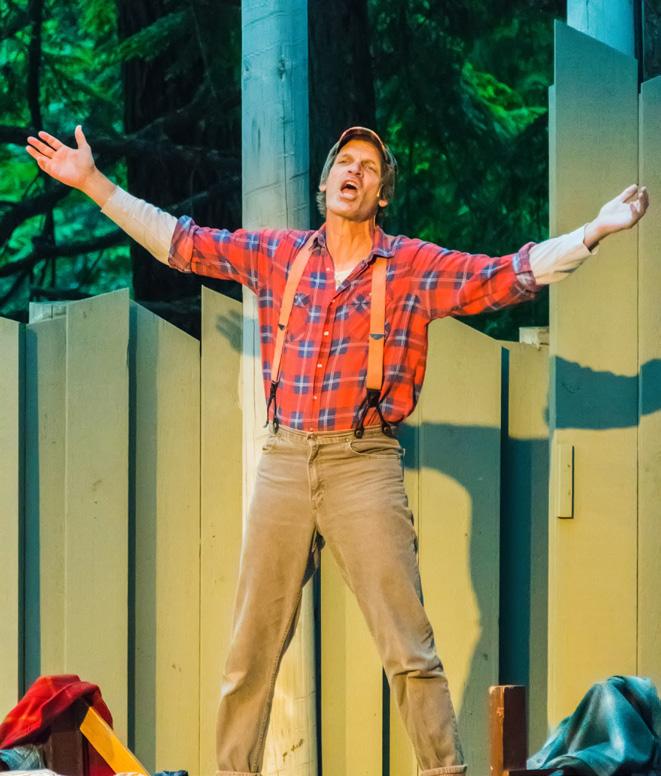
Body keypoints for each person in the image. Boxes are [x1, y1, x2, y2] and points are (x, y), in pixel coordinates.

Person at [25, 124, 649, 776]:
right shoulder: (280, 254)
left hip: (364, 462)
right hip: (285, 459)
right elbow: (181, 243)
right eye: (345, 162)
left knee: (409, 650)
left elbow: (503, 276)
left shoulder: (409, 266)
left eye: (369, 167)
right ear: (324, 184)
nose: (355, 171)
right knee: (249, 653)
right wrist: (92, 183)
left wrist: (592, 232)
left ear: (382, 194)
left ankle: (444, 772)